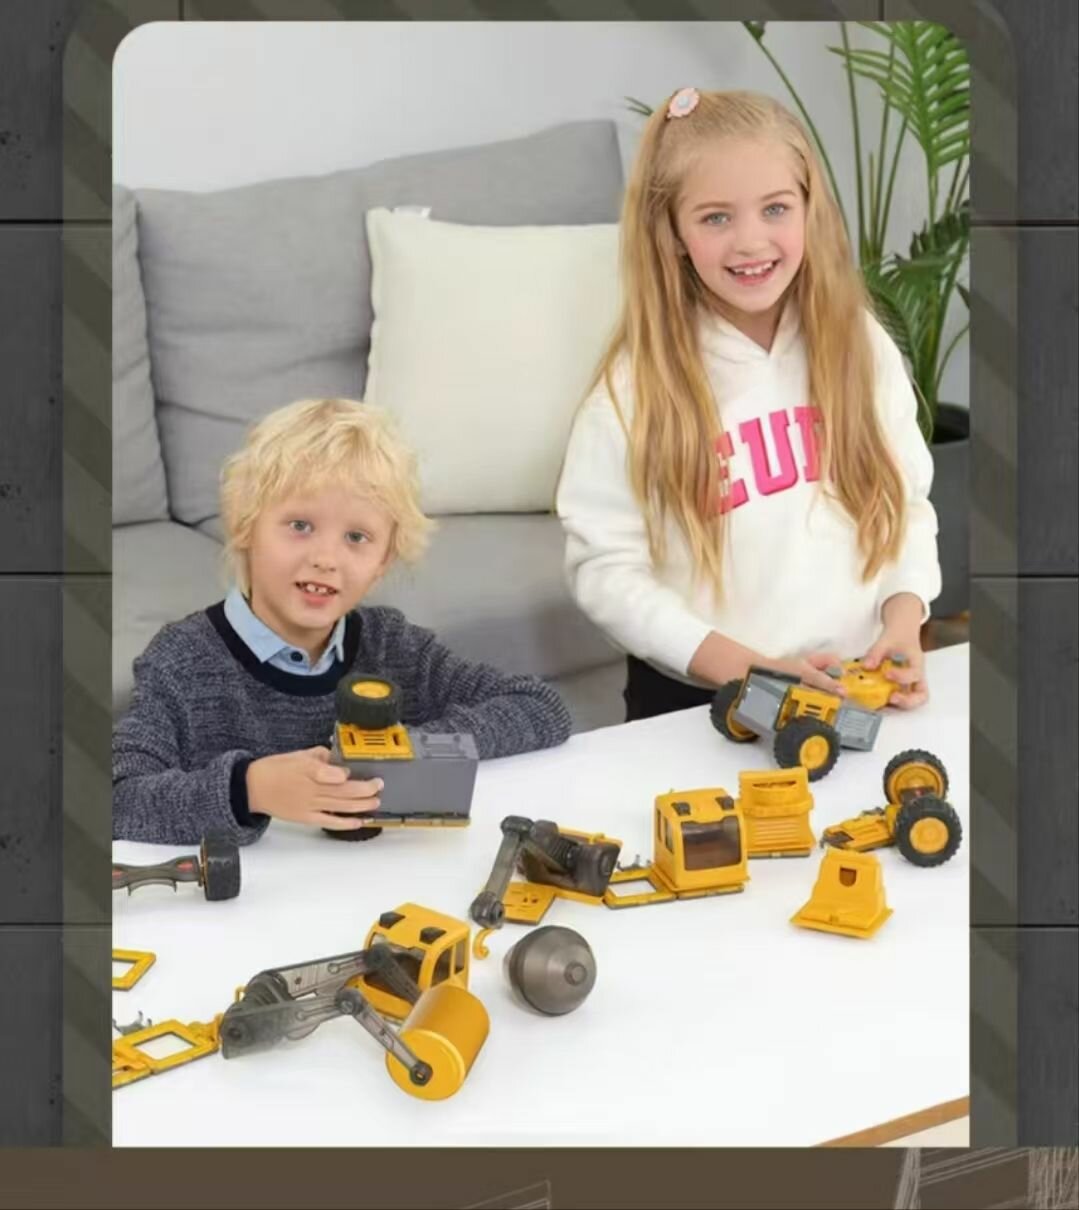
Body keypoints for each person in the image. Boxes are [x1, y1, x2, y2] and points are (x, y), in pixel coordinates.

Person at [556, 87, 941, 722]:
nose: (750, 241)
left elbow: (906, 504)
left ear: (810, 210)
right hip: (699, 703)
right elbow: (605, 571)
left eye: (775, 208)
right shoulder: (633, 393)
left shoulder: (859, 345)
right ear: (672, 232)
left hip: (855, 687)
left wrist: (904, 617)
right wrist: (739, 666)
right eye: (716, 218)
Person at [114, 397, 572, 844]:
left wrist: (399, 752)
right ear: (245, 526)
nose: (326, 558)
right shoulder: (182, 659)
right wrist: (250, 788)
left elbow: (540, 706)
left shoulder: (392, 645)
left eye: (356, 536)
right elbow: (119, 797)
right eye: (300, 526)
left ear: (383, 560)